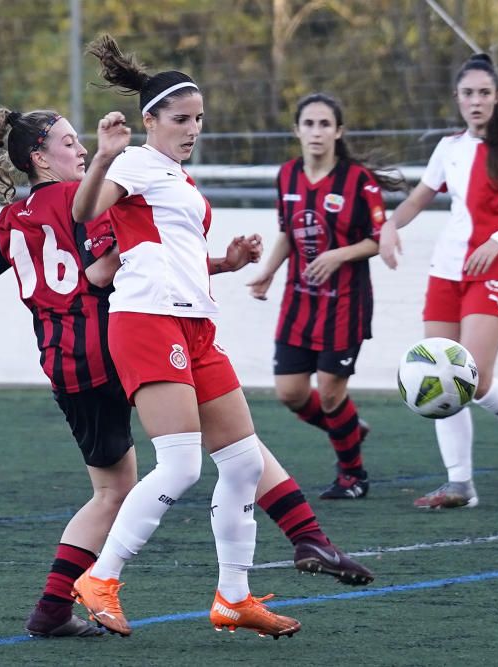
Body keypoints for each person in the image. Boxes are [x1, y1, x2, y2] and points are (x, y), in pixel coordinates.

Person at [0, 48, 371, 641]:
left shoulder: (12, 220)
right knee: (215, 455)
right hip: (126, 338)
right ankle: (289, 539)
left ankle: (59, 607)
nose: (81, 149)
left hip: (68, 365)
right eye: (68, 143)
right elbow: (105, 268)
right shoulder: (97, 188)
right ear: (40, 157)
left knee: (129, 485)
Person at [67, 34, 365, 639]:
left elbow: (165, 252)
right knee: (179, 468)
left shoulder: (177, 175)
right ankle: (101, 577)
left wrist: (224, 264)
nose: (192, 128)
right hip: (148, 322)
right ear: (151, 120)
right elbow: (84, 212)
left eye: (198, 119)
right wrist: (102, 155)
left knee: (242, 464)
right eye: (181, 119)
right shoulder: (132, 162)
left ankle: (234, 597)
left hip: (195, 323)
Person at [378, 53, 498, 510]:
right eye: (468, 93)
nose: (476, 101)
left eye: (484, 93)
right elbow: (418, 200)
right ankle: (460, 484)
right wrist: (386, 225)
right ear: (458, 99)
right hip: (446, 270)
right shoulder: (450, 147)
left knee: (475, 379)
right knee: (441, 375)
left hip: (494, 268)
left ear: (497, 97)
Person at [247, 92, 404, 500]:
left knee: (332, 394)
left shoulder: (359, 181)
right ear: (297, 130)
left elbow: (377, 239)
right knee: (291, 393)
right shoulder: (287, 176)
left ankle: (353, 476)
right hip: (298, 303)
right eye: (309, 124)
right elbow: (287, 232)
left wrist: (338, 255)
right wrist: (267, 272)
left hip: (345, 306)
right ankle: (350, 427)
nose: (316, 132)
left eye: (324, 124)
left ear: (339, 131)